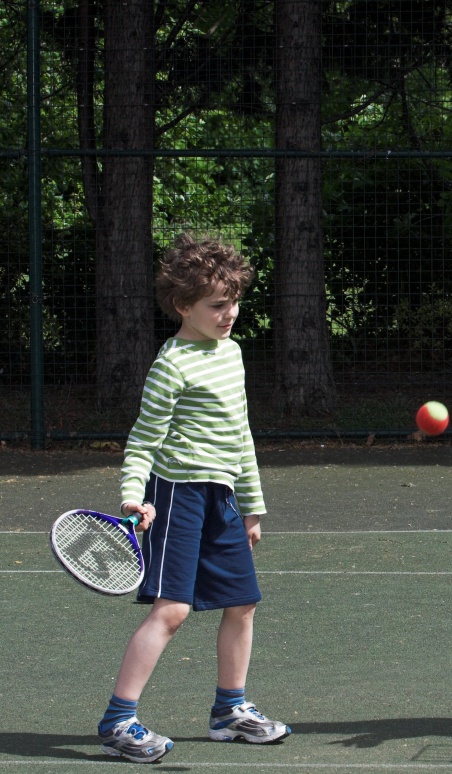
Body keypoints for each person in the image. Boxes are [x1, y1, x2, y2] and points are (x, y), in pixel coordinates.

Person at [97, 233, 290, 763]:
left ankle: (230, 711)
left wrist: (251, 506)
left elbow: (239, 434)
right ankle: (118, 721)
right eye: (216, 305)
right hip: (176, 495)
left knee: (243, 603)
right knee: (173, 610)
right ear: (184, 306)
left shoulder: (232, 353)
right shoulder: (172, 365)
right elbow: (143, 439)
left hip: (220, 499)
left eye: (234, 302)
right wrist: (133, 497)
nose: (229, 313)